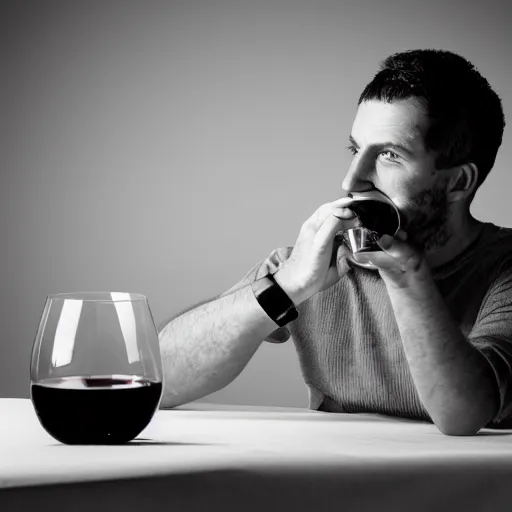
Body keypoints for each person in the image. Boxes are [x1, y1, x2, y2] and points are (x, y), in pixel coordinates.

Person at [158, 49, 512, 436]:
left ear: (458, 181)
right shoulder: (313, 264)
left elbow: (463, 415)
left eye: (390, 155)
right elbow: (159, 379)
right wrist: (287, 286)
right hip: (334, 489)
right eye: (355, 149)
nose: (352, 180)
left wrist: (406, 277)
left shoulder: (503, 270)